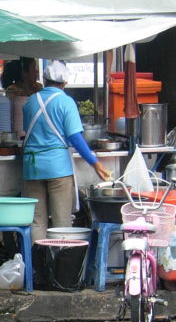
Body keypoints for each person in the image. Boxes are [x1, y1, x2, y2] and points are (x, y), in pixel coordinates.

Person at [22, 59, 111, 241]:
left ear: (44, 80)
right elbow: (75, 137)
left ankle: (38, 266)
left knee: (37, 222)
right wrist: (94, 163)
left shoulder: (30, 102)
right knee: (61, 221)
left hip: (31, 167)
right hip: (58, 168)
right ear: (64, 83)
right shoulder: (66, 102)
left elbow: (26, 132)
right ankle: (60, 265)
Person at [2, 57, 42, 138]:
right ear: (24, 73)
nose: (36, 71)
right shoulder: (13, 90)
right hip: (19, 134)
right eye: (34, 68)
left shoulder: (38, 87)